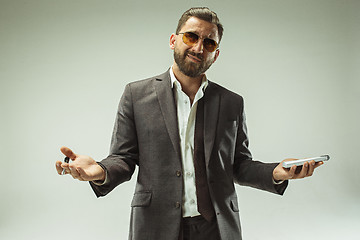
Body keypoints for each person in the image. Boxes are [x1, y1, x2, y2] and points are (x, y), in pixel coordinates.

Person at [55, 7, 323, 240]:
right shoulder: (136, 95)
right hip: (155, 225)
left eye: (209, 43)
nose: (198, 47)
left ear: (215, 54)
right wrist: (99, 171)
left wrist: (278, 172)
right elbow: (124, 159)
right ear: (174, 40)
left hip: (217, 228)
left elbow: (239, 166)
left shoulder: (232, 102)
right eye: (191, 37)